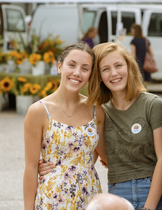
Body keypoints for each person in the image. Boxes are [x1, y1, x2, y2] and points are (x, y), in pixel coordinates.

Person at [39, 42, 162, 210]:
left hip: (152, 191)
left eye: (118, 65)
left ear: (128, 67)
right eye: (105, 69)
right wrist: (51, 165)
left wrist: (149, 207)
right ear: (99, 76)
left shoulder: (152, 104)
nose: (113, 73)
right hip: (116, 193)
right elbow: (85, 154)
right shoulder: (99, 112)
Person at [23, 42, 107, 210]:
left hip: (88, 197)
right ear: (60, 66)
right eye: (72, 65)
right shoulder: (38, 111)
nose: (77, 73)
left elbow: (105, 156)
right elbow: (31, 168)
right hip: (52, 199)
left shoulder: (97, 111)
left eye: (85, 68)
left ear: (90, 74)